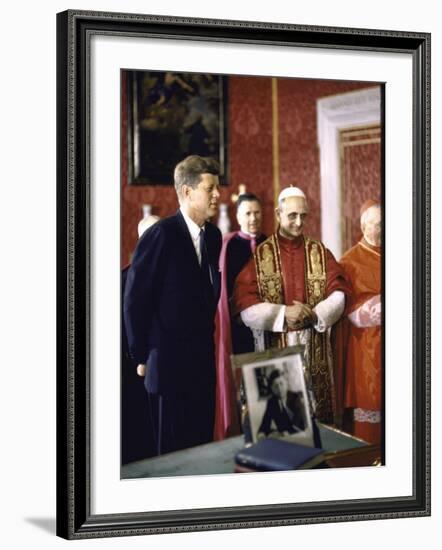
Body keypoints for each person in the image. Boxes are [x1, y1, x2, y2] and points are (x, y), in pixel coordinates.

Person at [124, 155, 222, 455]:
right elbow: (135, 299)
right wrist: (140, 355)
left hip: (202, 366)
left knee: (202, 451)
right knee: (174, 458)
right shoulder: (160, 235)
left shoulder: (214, 236)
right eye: (210, 188)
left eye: (217, 188)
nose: (218, 194)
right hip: (167, 368)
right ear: (187, 192)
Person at [233, 186, 351, 425]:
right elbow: (244, 306)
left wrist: (316, 314)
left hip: (314, 351)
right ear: (278, 213)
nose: (299, 222)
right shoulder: (260, 255)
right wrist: (284, 313)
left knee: (318, 429)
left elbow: (339, 291)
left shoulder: (319, 251)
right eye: (292, 215)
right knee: (281, 430)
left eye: (303, 216)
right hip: (275, 353)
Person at [214, 193, 267, 440]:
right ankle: (245, 430)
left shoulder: (270, 242)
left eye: (256, 212)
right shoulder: (228, 245)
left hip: (269, 324)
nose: (253, 218)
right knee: (244, 381)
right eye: (247, 213)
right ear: (237, 216)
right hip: (239, 327)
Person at [339, 200, 382, 444]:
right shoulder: (349, 261)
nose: (383, 228)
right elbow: (349, 312)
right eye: (378, 224)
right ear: (364, 226)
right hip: (366, 348)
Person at [258, 369, 306, 438]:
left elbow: (300, 425)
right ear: (272, 389)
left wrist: (288, 433)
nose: (279, 388)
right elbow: (265, 424)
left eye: (281, 383)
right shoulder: (272, 402)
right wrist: (261, 433)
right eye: (275, 386)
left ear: (286, 383)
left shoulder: (297, 397)